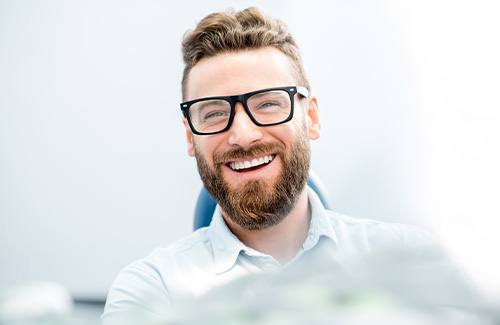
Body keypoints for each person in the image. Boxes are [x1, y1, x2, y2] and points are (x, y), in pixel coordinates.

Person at [102, 7, 432, 323]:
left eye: (269, 104)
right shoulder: (153, 291)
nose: (243, 135)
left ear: (312, 117)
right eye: (215, 113)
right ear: (190, 137)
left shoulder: (411, 262)